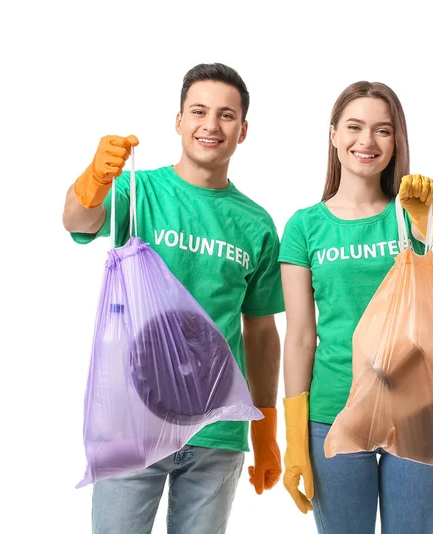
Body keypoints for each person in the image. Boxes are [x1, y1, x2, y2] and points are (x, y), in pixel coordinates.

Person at [62, 63, 284, 534]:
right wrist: (93, 182)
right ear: (178, 120)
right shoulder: (139, 191)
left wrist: (265, 428)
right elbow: (78, 222)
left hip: (218, 430)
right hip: (133, 419)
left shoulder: (256, 223)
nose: (211, 125)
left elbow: (262, 332)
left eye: (226, 116)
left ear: (243, 131)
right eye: (198, 111)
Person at [279, 81, 433, 534]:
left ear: (397, 142)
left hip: (417, 409)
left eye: (383, 130)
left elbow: (431, 239)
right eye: (354, 127)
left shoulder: (408, 212)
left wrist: (428, 216)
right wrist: (294, 433)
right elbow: (299, 335)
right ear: (334, 134)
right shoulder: (304, 227)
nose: (367, 141)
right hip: (334, 411)